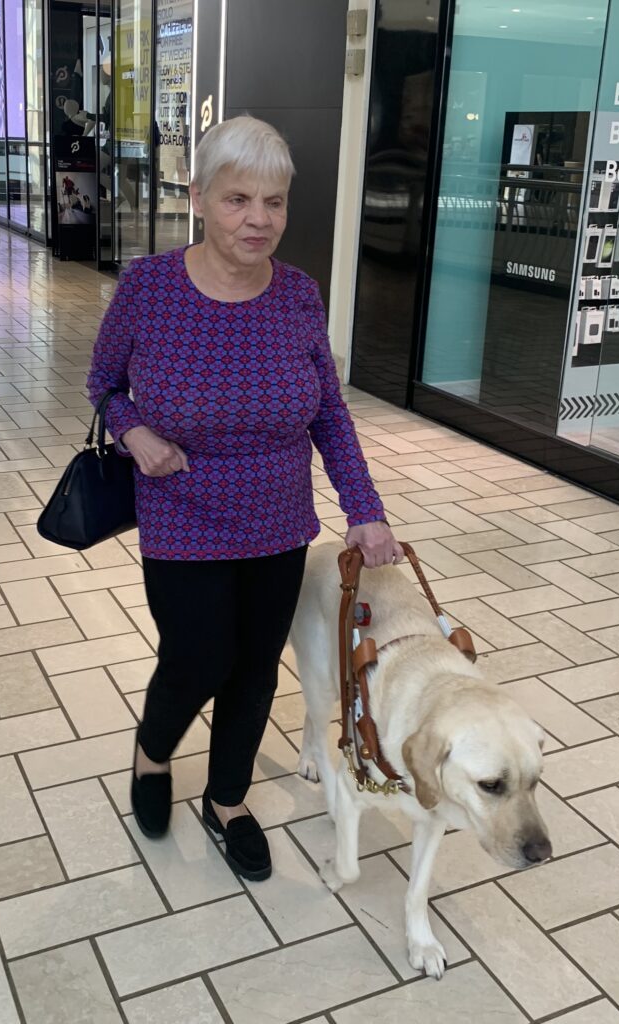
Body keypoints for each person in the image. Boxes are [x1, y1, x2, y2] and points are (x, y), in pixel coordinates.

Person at [87, 115, 402, 882]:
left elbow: (328, 410)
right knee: (197, 658)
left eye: (274, 202)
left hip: (277, 518)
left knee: (257, 665)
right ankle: (152, 753)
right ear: (197, 198)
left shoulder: (297, 294)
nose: (259, 220)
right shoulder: (148, 287)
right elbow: (103, 383)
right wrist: (133, 434)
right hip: (181, 509)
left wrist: (365, 508)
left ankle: (228, 798)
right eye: (237, 200)